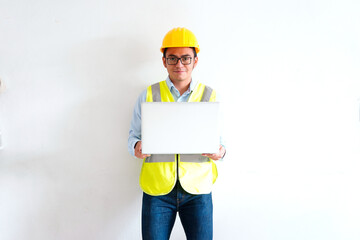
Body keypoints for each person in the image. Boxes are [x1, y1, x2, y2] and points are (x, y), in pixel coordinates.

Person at [128, 27, 226, 240]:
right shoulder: (149, 94)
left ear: (195, 61)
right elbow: (133, 136)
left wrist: (221, 152)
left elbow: (220, 142)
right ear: (164, 61)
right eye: (172, 58)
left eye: (185, 58)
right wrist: (136, 147)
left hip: (198, 190)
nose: (179, 64)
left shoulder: (209, 95)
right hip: (158, 191)